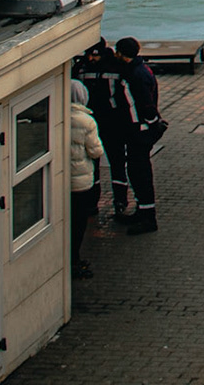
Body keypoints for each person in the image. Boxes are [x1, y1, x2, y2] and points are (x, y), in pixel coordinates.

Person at [75, 40, 134, 222]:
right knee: (93, 164)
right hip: (92, 122)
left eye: (95, 54)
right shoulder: (81, 68)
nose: (92, 58)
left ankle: (120, 202)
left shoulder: (116, 68)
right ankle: (92, 202)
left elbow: (126, 98)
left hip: (113, 123)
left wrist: (128, 123)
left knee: (117, 162)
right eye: (89, 54)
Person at [115, 37, 163, 231]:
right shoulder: (139, 70)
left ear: (121, 53)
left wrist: (151, 125)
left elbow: (145, 104)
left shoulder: (135, 75)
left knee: (140, 173)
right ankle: (142, 210)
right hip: (139, 129)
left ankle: (148, 217)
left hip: (140, 131)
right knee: (136, 172)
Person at [68, 79, 104, 278]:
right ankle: (75, 260)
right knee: (78, 222)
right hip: (81, 182)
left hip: (63, 180)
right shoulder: (86, 121)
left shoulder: (58, 115)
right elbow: (96, 151)